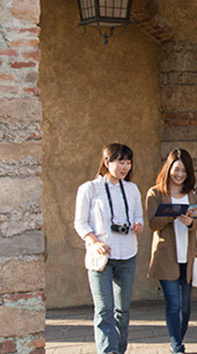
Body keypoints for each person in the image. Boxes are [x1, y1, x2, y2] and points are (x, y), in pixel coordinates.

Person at [74, 143, 144, 354]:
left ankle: (119, 349)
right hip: (101, 257)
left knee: (122, 310)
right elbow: (80, 223)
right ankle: (108, 351)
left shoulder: (132, 188)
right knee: (104, 309)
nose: (125, 167)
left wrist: (138, 224)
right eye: (120, 162)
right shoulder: (89, 188)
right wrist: (94, 242)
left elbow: (139, 215)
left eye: (128, 162)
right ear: (107, 162)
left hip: (128, 253)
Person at [145, 148, 197, 354]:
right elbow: (152, 223)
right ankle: (177, 346)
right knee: (173, 304)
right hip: (166, 257)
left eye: (183, 170)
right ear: (168, 168)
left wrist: (191, 221)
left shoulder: (193, 194)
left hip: (189, 256)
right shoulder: (156, 193)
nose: (179, 174)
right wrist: (173, 214)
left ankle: (177, 337)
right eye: (176, 169)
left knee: (185, 307)